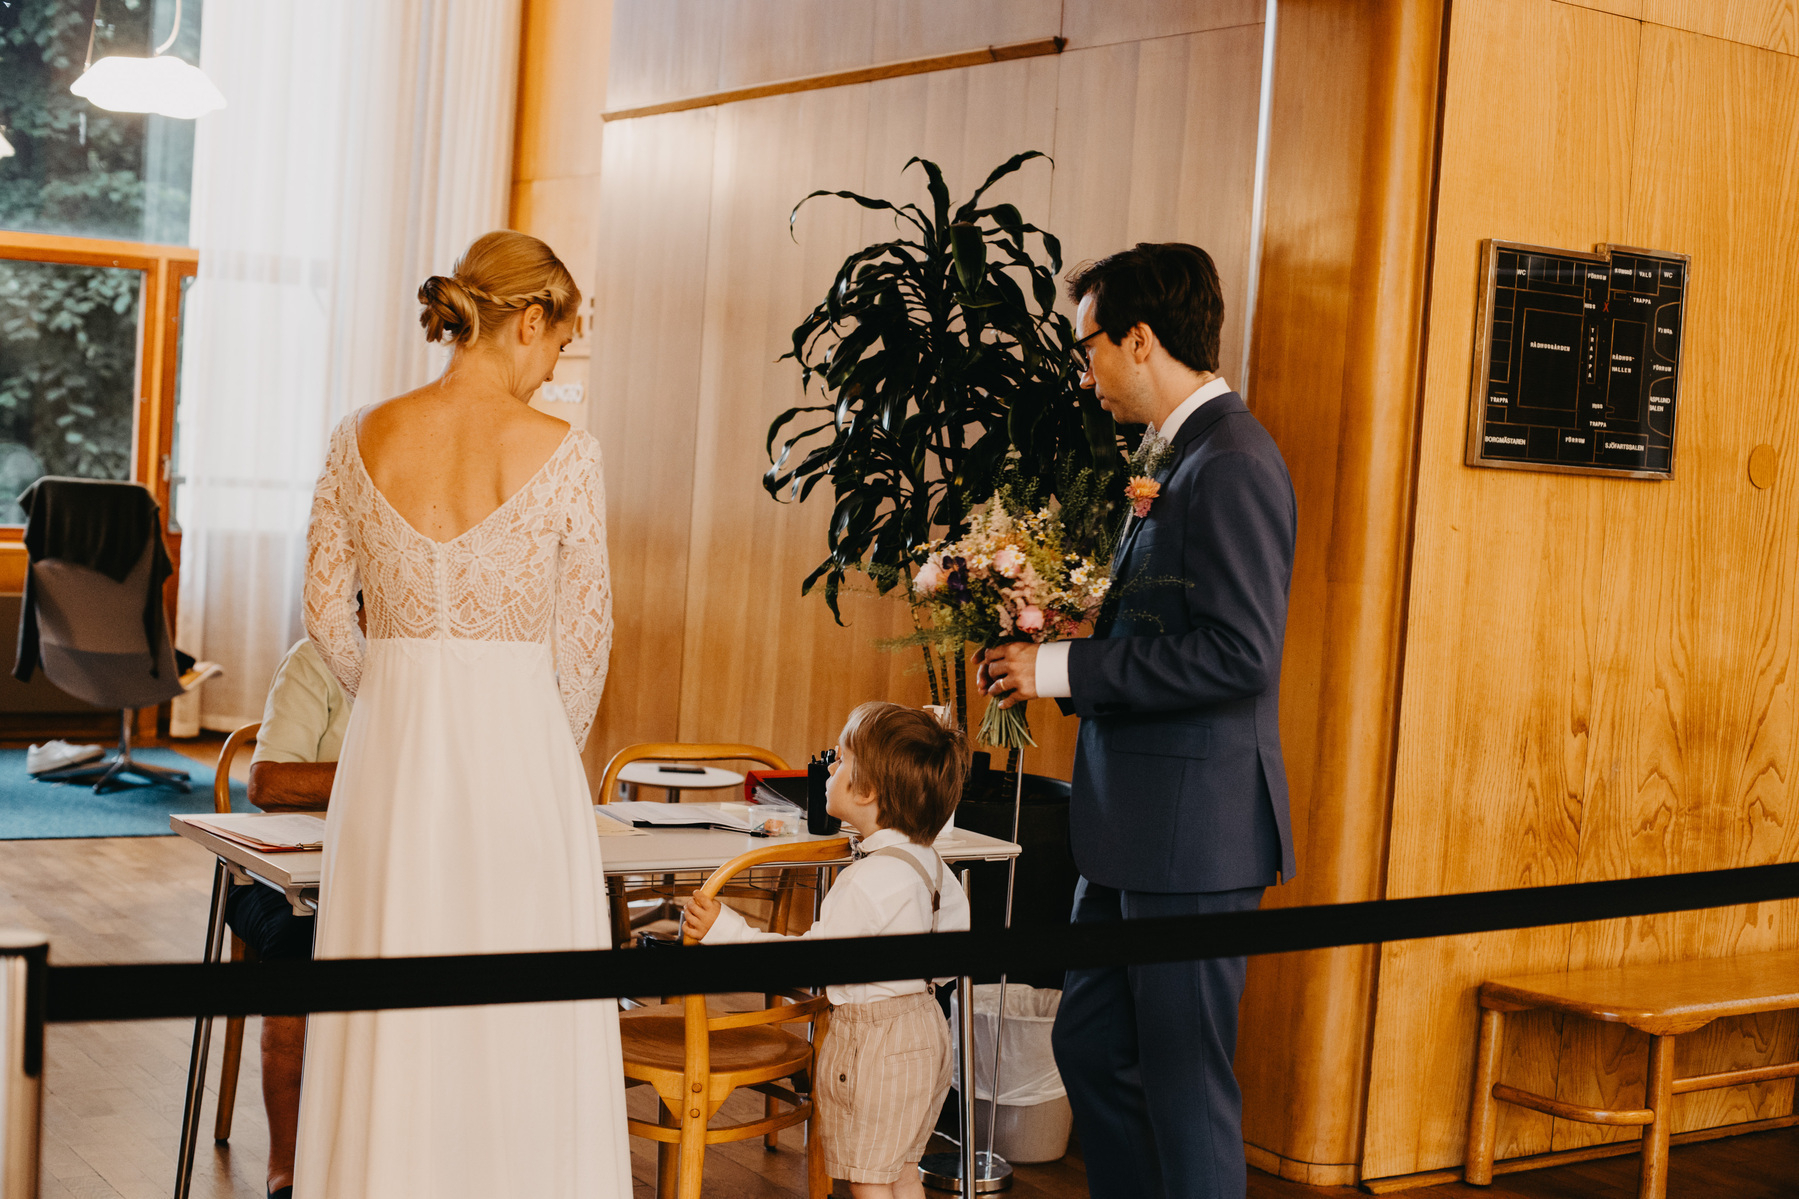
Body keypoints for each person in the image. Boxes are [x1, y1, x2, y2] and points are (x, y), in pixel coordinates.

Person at [297, 230, 629, 1198]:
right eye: (558, 345)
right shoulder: (567, 449)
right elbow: (585, 636)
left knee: (392, 971)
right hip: (518, 748)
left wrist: (401, 696)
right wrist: (531, 736)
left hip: (392, 752)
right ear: (530, 320)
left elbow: (323, 610)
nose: (553, 367)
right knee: (517, 984)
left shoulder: (360, 431)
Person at [978, 242, 1297, 1199]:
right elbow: (1177, 626)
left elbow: (1240, 653)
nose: (1086, 374)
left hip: (1193, 833)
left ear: (1141, 338)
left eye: (1090, 349)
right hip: (1133, 830)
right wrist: (1080, 631)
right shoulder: (1177, 451)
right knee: (1089, 1044)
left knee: (1184, 1080)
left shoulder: (1232, 460)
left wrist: (1061, 664)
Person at [683, 701, 971, 1199]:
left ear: (867, 790)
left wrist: (726, 930)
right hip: (927, 1029)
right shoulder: (929, 863)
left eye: (839, 761)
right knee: (900, 1169)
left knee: (866, 1177)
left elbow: (807, 963)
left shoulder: (867, 880)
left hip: (875, 1045)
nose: (830, 770)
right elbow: (954, 947)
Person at [222, 608, 354, 1199]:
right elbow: (267, 785)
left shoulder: (447, 670)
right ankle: (287, 1164)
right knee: (300, 947)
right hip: (285, 881)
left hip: (394, 872)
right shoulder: (315, 660)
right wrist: (378, 772)